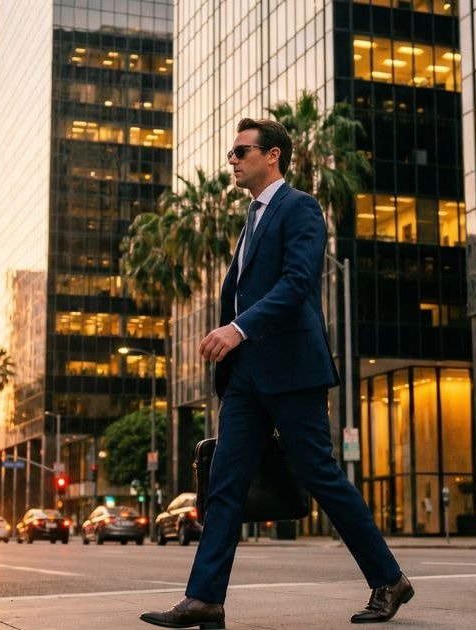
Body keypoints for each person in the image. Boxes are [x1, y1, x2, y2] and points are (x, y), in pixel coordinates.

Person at [140, 118, 412, 629]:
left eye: (241, 150)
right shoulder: (251, 218)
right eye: (232, 152)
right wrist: (234, 338)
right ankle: (204, 599)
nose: (232, 159)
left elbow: (297, 282)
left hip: (291, 368)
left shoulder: (299, 207)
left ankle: (389, 579)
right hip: (245, 376)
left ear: (273, 155)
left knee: (319, 475)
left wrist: (236, 328)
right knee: (224, 483)